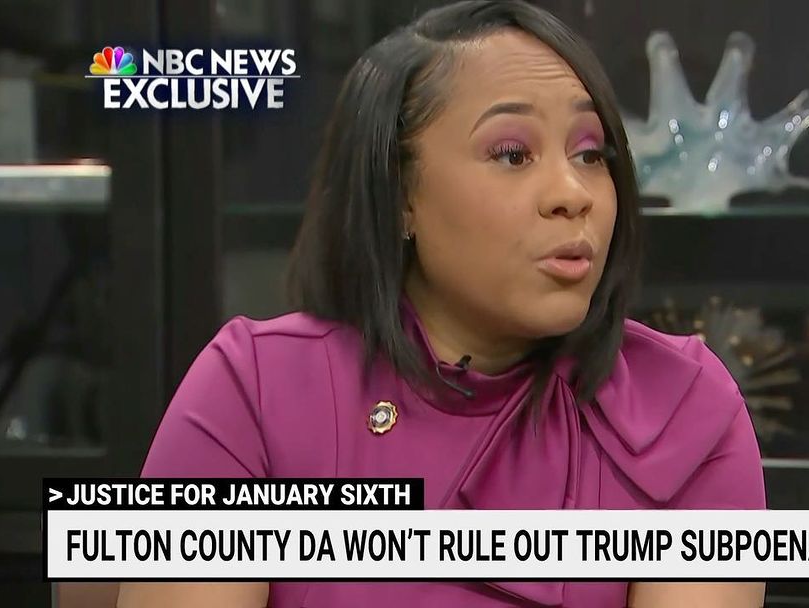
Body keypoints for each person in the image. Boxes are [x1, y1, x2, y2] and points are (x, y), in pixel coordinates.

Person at [117, 1, 766, 606]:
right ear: (400, 193)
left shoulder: (686, 410)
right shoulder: (256, 392)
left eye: (591, 154)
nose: (573, 193)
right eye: (512, 154)